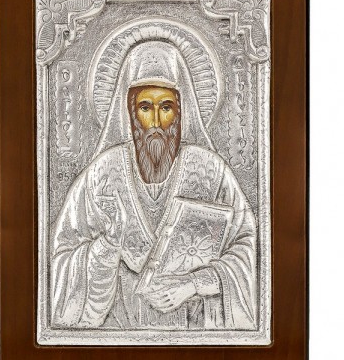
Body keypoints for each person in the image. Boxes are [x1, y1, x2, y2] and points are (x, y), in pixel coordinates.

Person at [50, 41, 257, 330]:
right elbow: (63, 258)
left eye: (166, 107)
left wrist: (193, 284)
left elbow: (247, 247)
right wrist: (108, 246)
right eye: (145, 107)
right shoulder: (102, 173)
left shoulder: (211, 170)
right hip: (120, 330)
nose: (156, 122)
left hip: (194, 329)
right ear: (130, 113)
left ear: (181, 111)